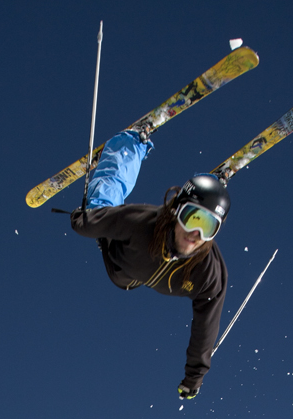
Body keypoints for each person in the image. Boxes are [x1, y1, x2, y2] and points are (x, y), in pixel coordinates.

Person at [71, 128, 229, 400]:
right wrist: (84, 220)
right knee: (102, 203)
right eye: (193, 219)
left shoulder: (208, 273)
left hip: (144, 275)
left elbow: (205, 329)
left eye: (208, 227)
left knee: (208, 202)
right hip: (122, 267)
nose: (196, 235)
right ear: (178, 212)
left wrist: (194, 378)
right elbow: (86, 222)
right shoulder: (143, 224)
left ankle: (211, 186)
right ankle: (129, 145)